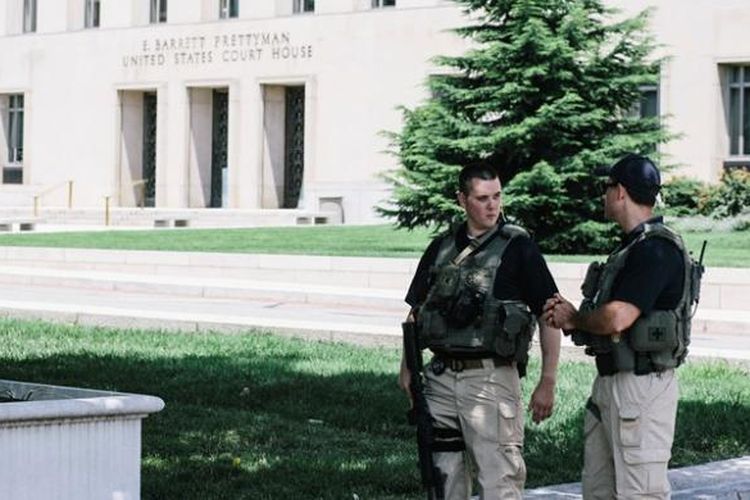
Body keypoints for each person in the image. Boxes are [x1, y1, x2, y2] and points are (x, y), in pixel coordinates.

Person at [399, 164, 561, 499]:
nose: (492, 205)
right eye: (482, 198)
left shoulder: (518, 247)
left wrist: (548, 380)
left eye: (497, 196)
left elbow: (550, 314)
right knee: (442, 481)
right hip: (441, 379)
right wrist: (407, 368)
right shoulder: (442, 248)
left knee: (499, 480)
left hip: (491, 381)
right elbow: (417, 311)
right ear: (462, 199)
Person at [544, 153, 698, 499]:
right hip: (614, 383)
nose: (604, 194)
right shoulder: (632, 248)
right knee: (600, 491)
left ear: (620, 192)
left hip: (641, 390)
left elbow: (618, 317)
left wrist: (573, 317)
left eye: (607, 186)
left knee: (639, 493)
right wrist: (575, 321)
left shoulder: (655, 250)